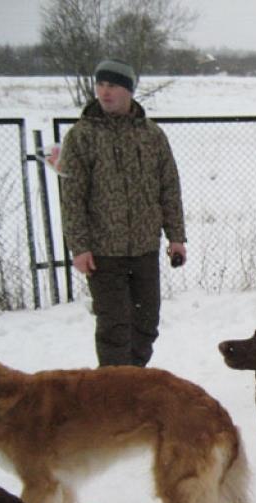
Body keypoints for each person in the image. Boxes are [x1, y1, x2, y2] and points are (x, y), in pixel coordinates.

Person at [60, 59, 186, 367]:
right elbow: (72, 197)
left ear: (128, 90)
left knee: (146, 324)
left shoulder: (152, 135)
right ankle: (114, 388)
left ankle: (133, 381)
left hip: (144, 248)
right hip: (104, 252)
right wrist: (79, 246)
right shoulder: (81, 136)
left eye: (113, 86)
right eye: (101, 85)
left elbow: (169, 188)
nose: (105, 92)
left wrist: (176, 237)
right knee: (114, 327)